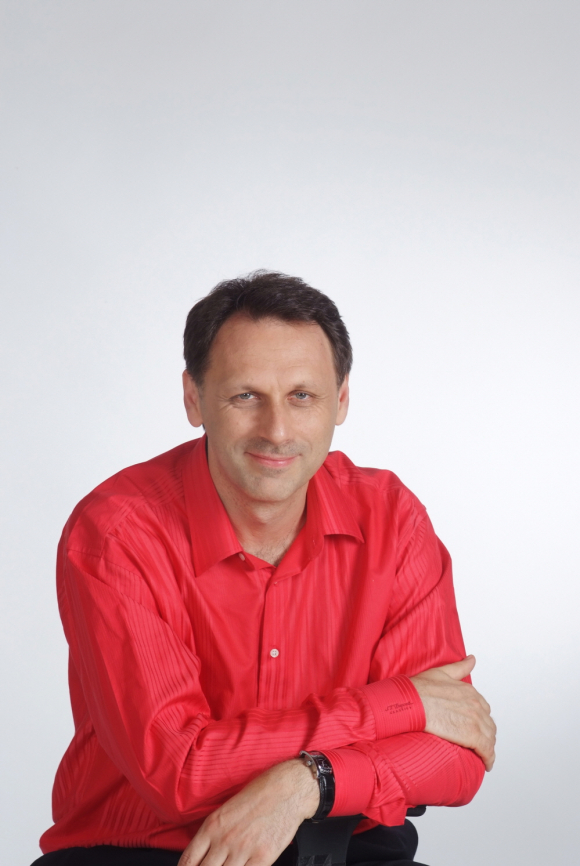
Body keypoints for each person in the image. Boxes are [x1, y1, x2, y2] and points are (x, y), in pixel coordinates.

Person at [34, 271, 496, 866]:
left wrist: (310, 783)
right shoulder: (118, 534)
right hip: (154, 852)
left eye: (302, 396)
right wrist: (399, 704)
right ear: (194, 398)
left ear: (342, 400)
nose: (276, 431)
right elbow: (181, 771)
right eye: (246, 396)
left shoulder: (392, 519)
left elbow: (456, 754)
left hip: (346, 846)